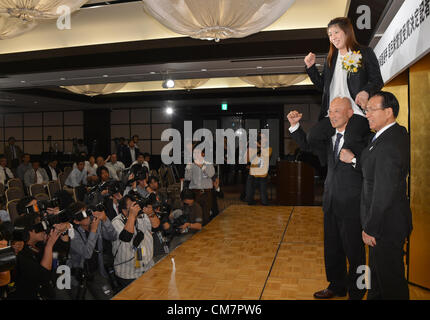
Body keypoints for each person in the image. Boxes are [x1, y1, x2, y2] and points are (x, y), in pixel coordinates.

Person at [287, 97, 367, 300]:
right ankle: (336, 286)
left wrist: (355, 159)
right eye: (330, 112)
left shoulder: (362, 139)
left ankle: (358, 292)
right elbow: (306, 146)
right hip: (331, 203)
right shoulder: (328, 139)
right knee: (332, 248)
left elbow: (372, 167)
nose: (332, 115)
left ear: (350, 113)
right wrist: (295, 126)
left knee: (356, 253)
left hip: (353, 205)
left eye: (337, 111)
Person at [340, 91, 413, 300]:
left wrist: (371, 227)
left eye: (371, 110)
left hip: (385, 227)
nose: (367, 114)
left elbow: (384, 191)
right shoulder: (384, 136)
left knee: (390, 284)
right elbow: (371, 168)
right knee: (378, 281)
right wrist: (355, 161)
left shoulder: (390, 144)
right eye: (366, 110)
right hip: (382, 223)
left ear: (388, 112)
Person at [304, 17, 383, 166]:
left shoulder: (364, 53)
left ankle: (364, 161)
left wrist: (366, 91)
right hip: (333, 113)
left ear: (346, 32)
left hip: (356, 111)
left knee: (352, 140)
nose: (333, 37)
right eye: (329, 34)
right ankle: (331, 166)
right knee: (313, 137)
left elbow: (377, 80)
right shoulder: (331, 59)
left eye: (336, 32)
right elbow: (323, 87)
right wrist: (311, 68)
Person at [67, 201, 117, 300]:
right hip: (79, 277)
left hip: (96, 271)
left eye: (87, 212)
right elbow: (87, 254)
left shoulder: (94, 223)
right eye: (83, 215)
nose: (87, 216)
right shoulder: (72, 234)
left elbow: (113, 236)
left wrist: (105, 219)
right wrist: (93, 230)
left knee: (108, 296)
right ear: (76, 221)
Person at [10, 213, 61, 300]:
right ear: (28, 230)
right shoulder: (20, 253)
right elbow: (43, 277)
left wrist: (62, 232)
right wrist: (49, 245)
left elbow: (61, 251)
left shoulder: (39, 245)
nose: (43, 229)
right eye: (39, 226)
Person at [111, 196, 155, 289]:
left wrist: (151, 213)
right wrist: (132, 215)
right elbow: (126, 237)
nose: (136, 208)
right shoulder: (116, 222)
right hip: (129, 273)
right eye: (133, 206)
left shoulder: (142, 216)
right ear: (124, 209)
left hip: (148, 267)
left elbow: (156, 226)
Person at [184, 149, 215, 226]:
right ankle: (196, 230)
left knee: (206, 214)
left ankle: (206, 231)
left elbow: (211, 174)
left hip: (206, 191)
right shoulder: (192, 164)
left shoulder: (208, 163)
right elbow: (187, 178)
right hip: (194, 192)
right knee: (196, 213)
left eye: (198, 153)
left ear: (203, 154)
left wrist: (202, 166)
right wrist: (188, 169)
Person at [245, 132, 272, 206]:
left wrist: (259, 146)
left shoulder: (269, 149)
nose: (261, 139)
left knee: (263, 195)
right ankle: (250, 203)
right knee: (249, 193)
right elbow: (247, 160)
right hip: (252, 173)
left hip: (262, 174)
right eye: (260, 138)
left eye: (263, 138)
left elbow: (266, 155)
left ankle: (265, 206)